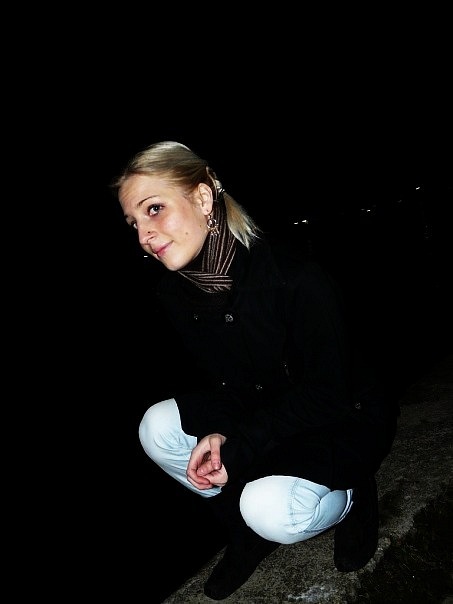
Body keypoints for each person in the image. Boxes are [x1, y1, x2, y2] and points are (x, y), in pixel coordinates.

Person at [111, 141, 398, 600]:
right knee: (155, 426)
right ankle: (242, 531)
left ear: (202, 198)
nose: (144, 235)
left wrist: (242, 445)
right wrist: (220, 433)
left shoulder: (293, 276)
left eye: (154, 209)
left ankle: (351, 495)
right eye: (134, 222)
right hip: (267, 412)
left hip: (340, 417)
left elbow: (328, 394)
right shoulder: (175, 294)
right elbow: (227, 384)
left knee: (271, 511)